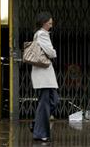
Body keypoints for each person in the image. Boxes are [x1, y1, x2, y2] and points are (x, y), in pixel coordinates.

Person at [30, 11, 59, 143]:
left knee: (52, 101)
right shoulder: (42, 34)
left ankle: (36, 125)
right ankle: (40, 133)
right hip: (43, 75)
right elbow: (51, 52)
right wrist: (54, 52)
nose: (51, 25)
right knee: (46, 103)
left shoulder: (41, 34)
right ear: (43, 22)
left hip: (45, 75)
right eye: (49, 22)